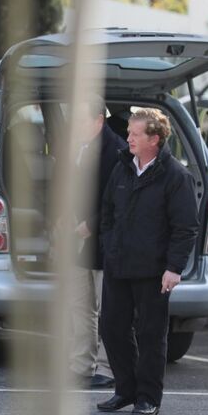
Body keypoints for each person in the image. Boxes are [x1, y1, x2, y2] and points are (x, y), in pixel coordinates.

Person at [97, 107, 198, 415]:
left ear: (154, 139)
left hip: (154, 270)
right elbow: (108, 214)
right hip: (119, 264)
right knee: (111, 328)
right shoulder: (122, 168)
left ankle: (148, 397)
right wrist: (110, 246)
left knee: (151, 334)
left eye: (135, 134)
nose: (128, 138)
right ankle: (125, 390)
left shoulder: (176, 176)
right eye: (129, 133)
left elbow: (186, 228)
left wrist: (174, 268)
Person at [68, 100, 127, 390]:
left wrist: (90, 224)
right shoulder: (78, 148)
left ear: (98, 120)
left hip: (107, 242)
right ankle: (82, 364)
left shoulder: (116, 150)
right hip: (82, 242)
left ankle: (107, 366)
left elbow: (119, 199)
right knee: (81, 306)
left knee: (109, 309)